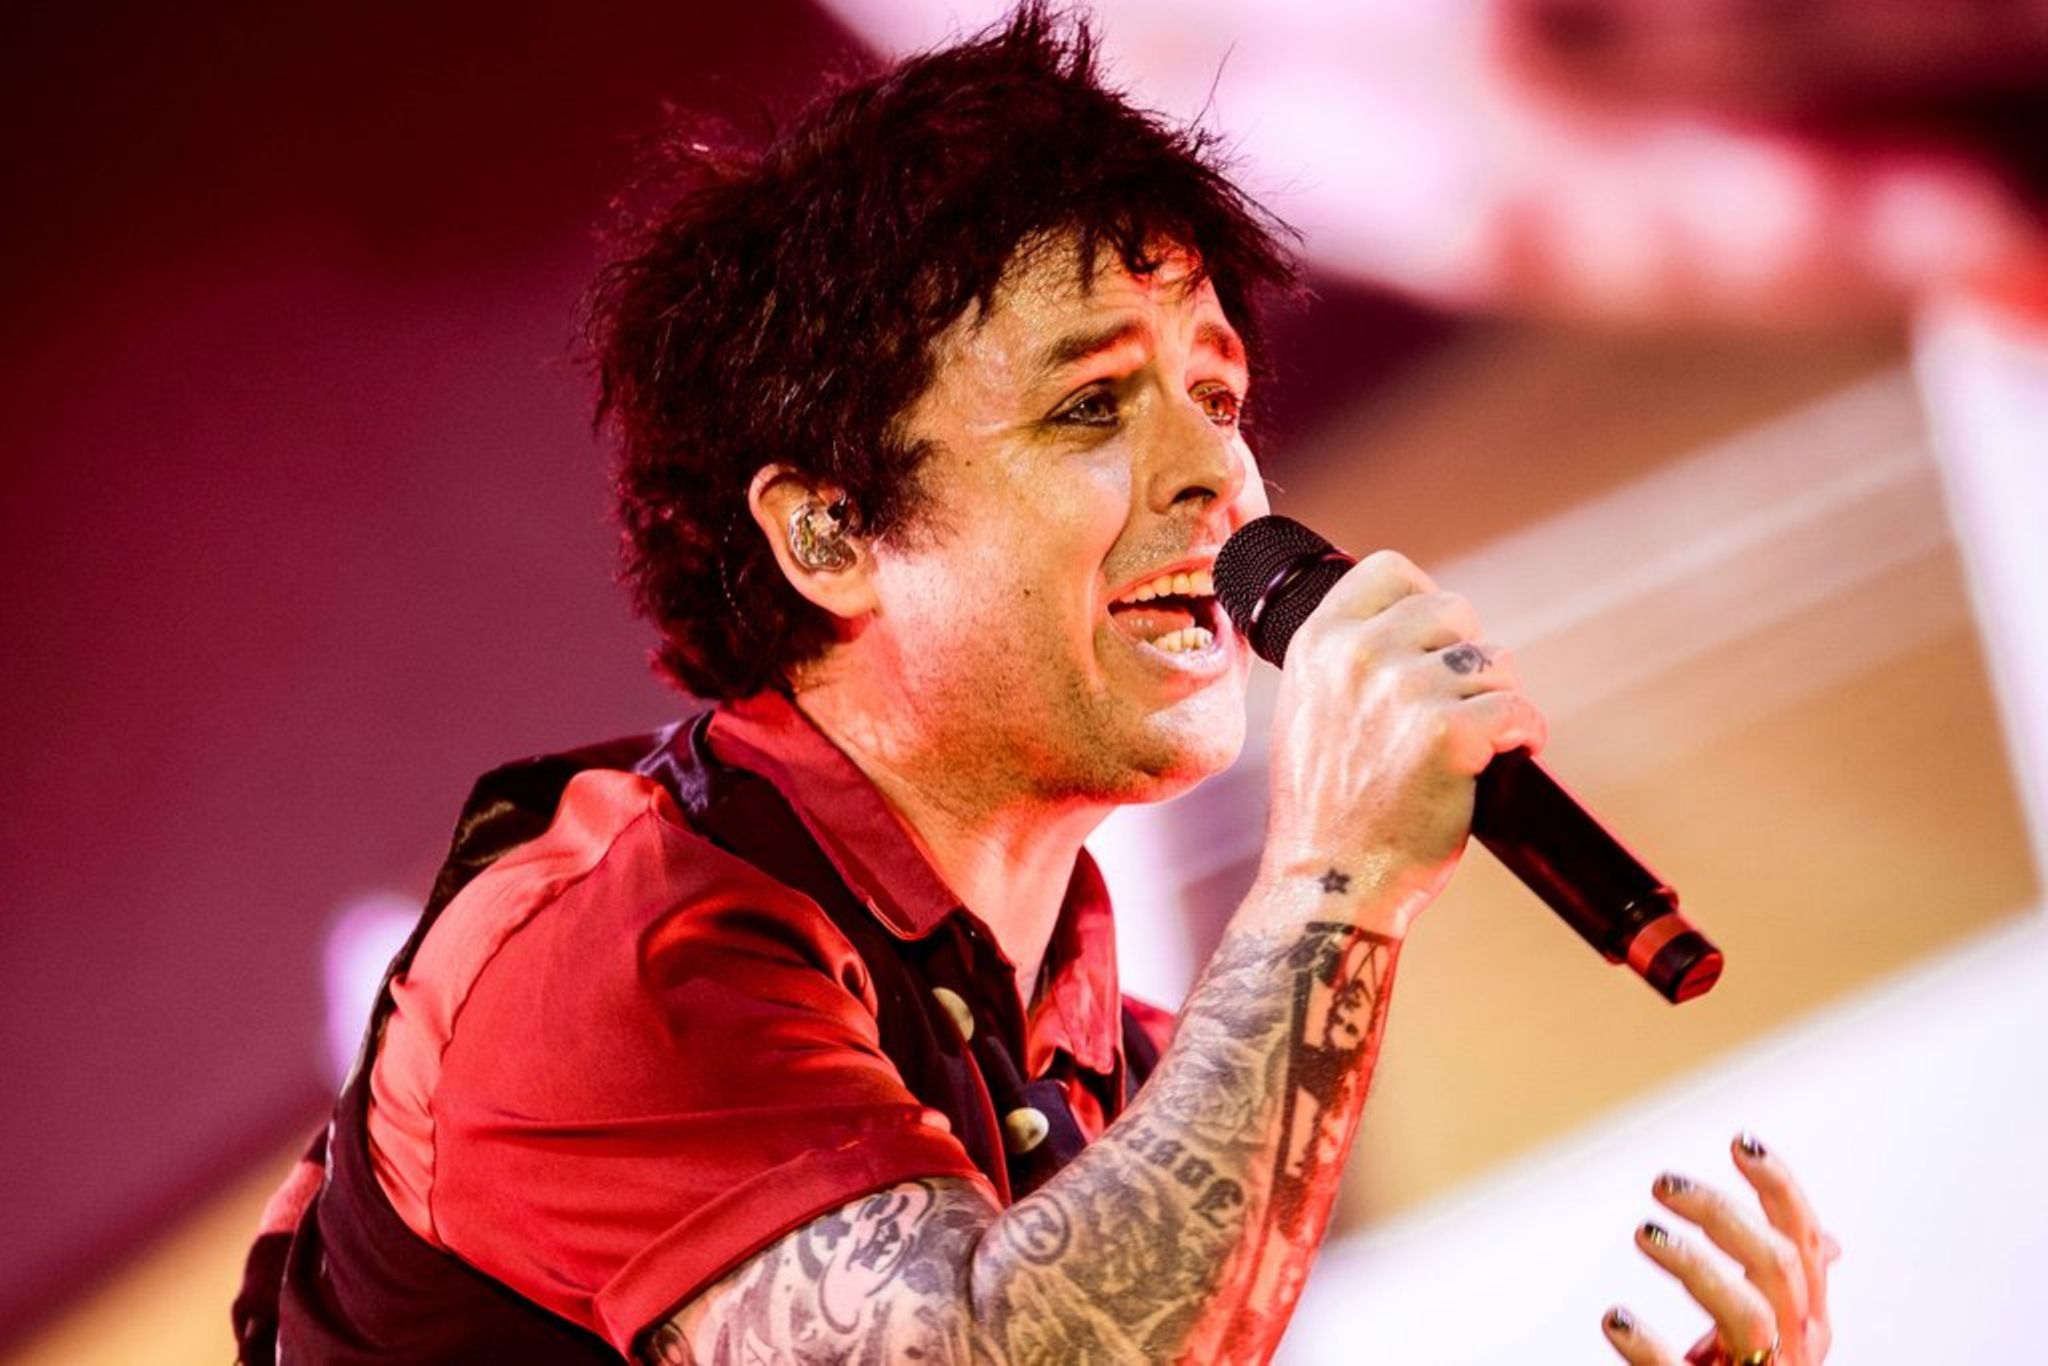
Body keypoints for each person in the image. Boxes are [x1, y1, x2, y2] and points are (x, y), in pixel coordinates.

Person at [234, 7, 1839, 1363]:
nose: (1219, 480)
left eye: (1218, 394)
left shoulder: (1105, 1065)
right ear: (829, 531)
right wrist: (1334, 882)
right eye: (1091, 408)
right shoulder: (620, 956)